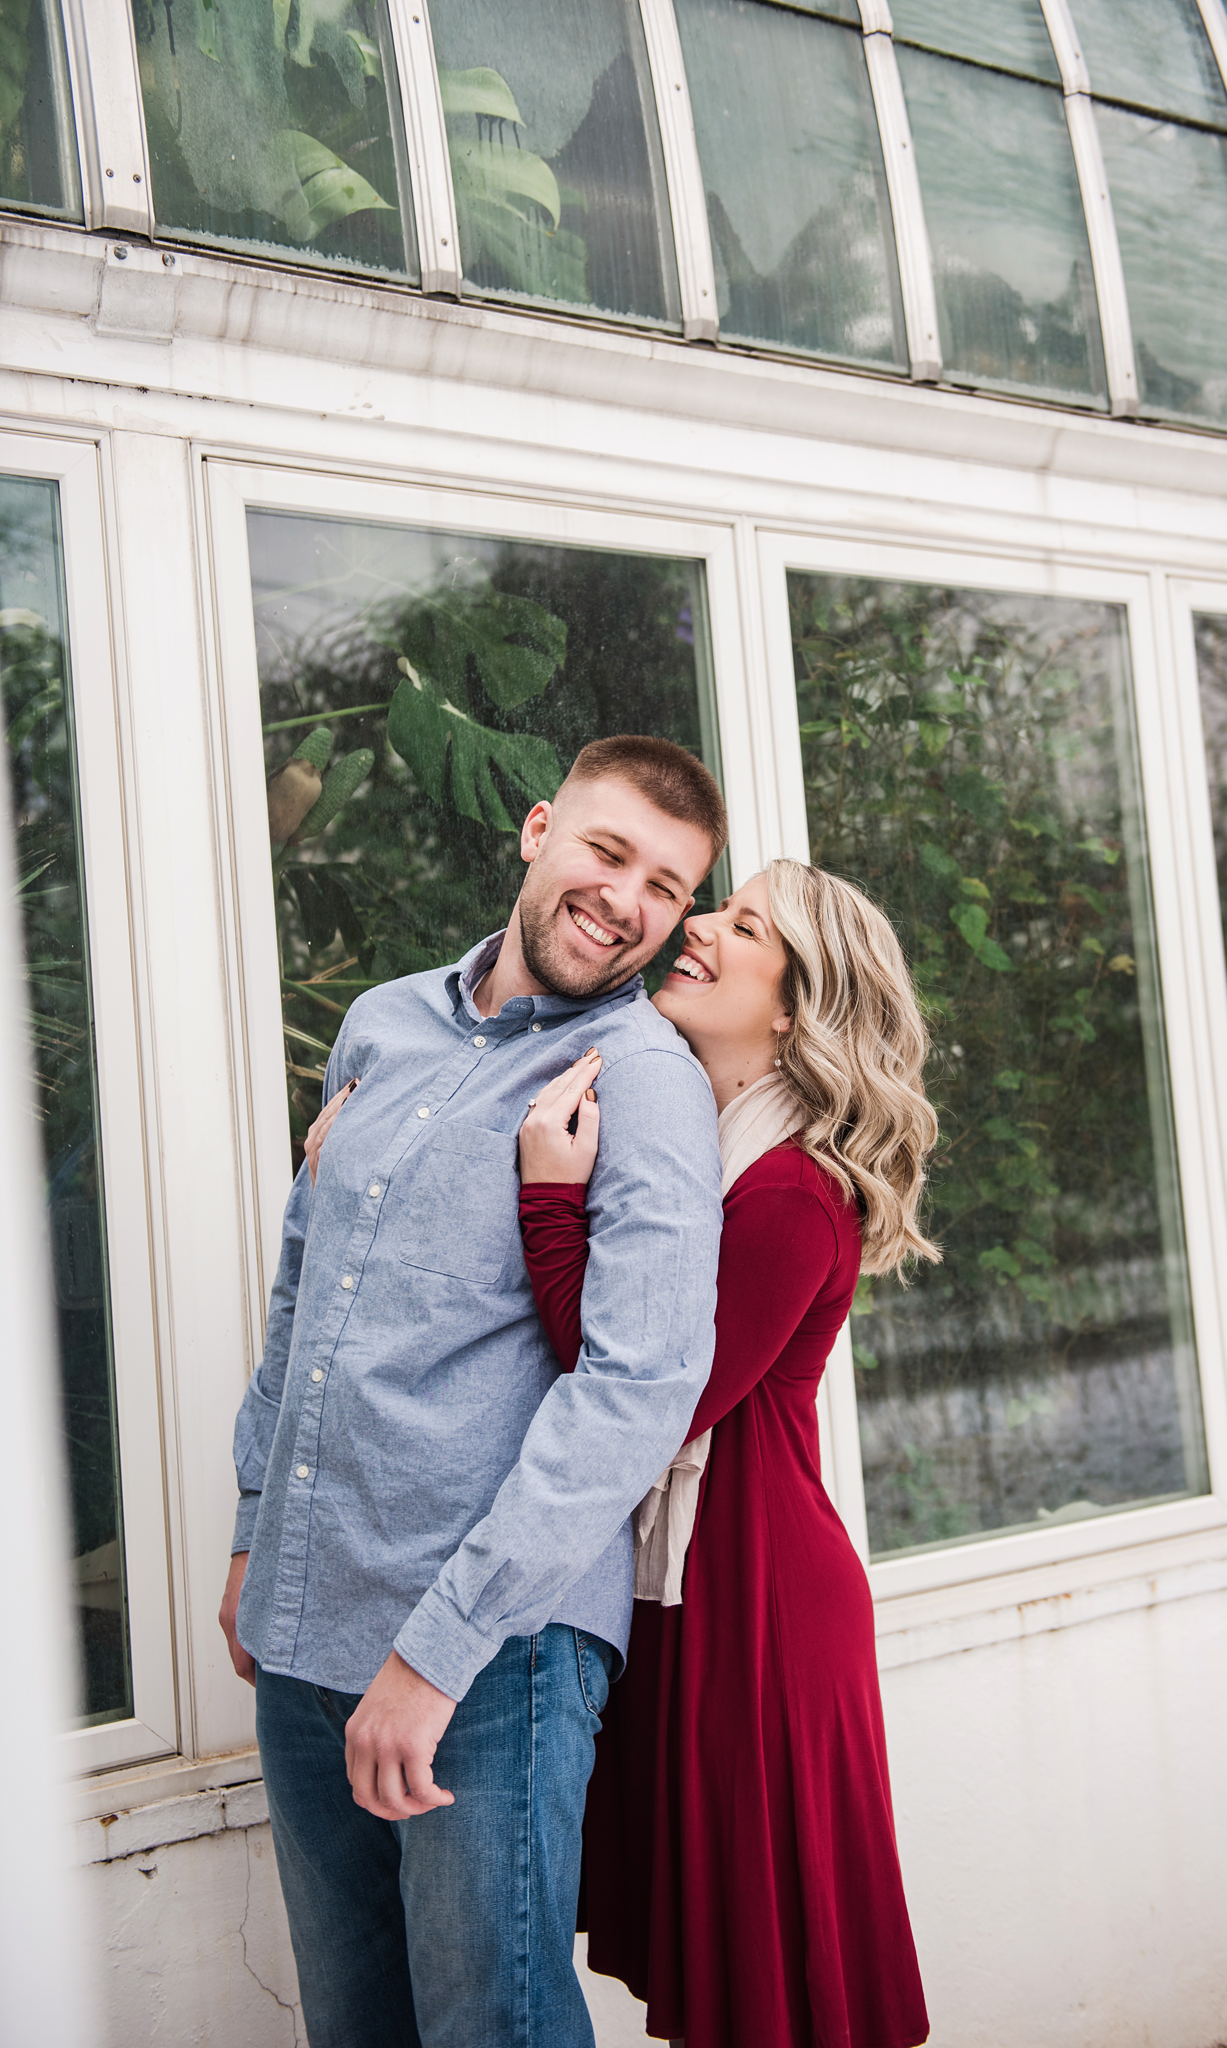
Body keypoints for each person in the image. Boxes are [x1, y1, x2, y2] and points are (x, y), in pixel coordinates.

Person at [218, 735, 730, 2048]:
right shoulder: (379, 1023)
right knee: (357, 2030)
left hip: (488, 1656)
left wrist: (433, 1660)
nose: (624, 900)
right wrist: (251, 1520)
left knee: (486, 2031)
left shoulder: (644, 1085)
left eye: (665, 887)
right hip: (306, 1618)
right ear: (537, 828)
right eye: (607, 853)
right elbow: (304, 1283)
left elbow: (636, 1390)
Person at [517, 857, 939, 2048]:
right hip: (704, 1589)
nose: (695, 925)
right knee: (732, 1978)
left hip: (757, 1612)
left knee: (772, 1998)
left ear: (796, 1002)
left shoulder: (791, 1191)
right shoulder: (707, 1152)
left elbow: (646, 1393)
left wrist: (549, 1199)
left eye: (741, 923)